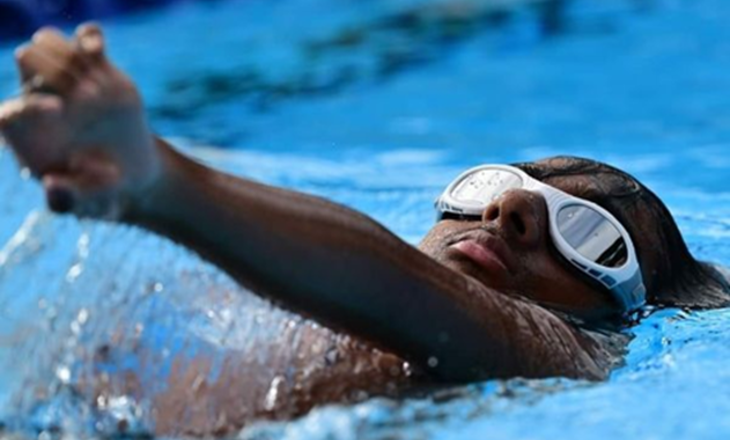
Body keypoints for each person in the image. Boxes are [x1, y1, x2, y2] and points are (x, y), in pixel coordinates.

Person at [0, 24, 728, 436]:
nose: (514, 211)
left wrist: (157, 179)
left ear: (629, 309)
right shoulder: (259, 281)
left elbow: (395, 285)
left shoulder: (567, 353)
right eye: (488, 186)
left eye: (592, 236)